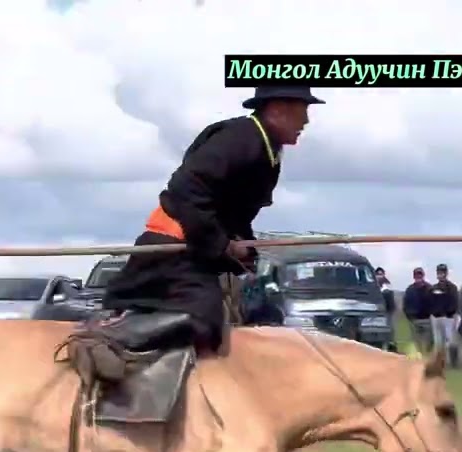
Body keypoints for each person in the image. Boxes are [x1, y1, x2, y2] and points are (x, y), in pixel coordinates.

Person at [100, 85, 324, 355]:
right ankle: (108, 337)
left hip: (192, 251)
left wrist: (243, 247)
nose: (306, 121)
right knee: (206, 319)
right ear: (277, 110)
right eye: (303, 111)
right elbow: (187, 189)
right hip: (171, 250)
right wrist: (222, 246)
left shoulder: (264, 147)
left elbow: (229, 211)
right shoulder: (238, 139)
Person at [427, 263, 462, 366]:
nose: (441, 275)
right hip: (436, 318)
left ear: (446, 273)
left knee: (450, 341)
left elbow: (454, 302)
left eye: (442, 273)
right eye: (439, 273)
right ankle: (440, 362)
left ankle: (452, 362)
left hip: (448, 318)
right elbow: (430, 302)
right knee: (438, 342)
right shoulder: (433, 288)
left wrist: (449, 313)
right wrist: (433, 312)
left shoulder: (452, 287)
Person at [402, 267, 433, 354]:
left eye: (420, 275)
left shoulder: (429, 288)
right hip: (414, 320)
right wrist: (409, 316)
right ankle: (419, 359)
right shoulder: (410, 289)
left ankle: (426, 358)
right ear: (414, 276)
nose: (418, 277)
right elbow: (405, 304)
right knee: (417, 343)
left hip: (427, 320)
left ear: (423, 276)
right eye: (416, 275)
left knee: (427, 342)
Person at [374, 267, 397, 352]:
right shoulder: (373, 287)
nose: (379, 276)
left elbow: (391, 304)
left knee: (388, 333)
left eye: (381, 274)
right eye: (377, 274)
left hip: (387, 313)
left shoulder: (387, 287)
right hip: (376, 314)